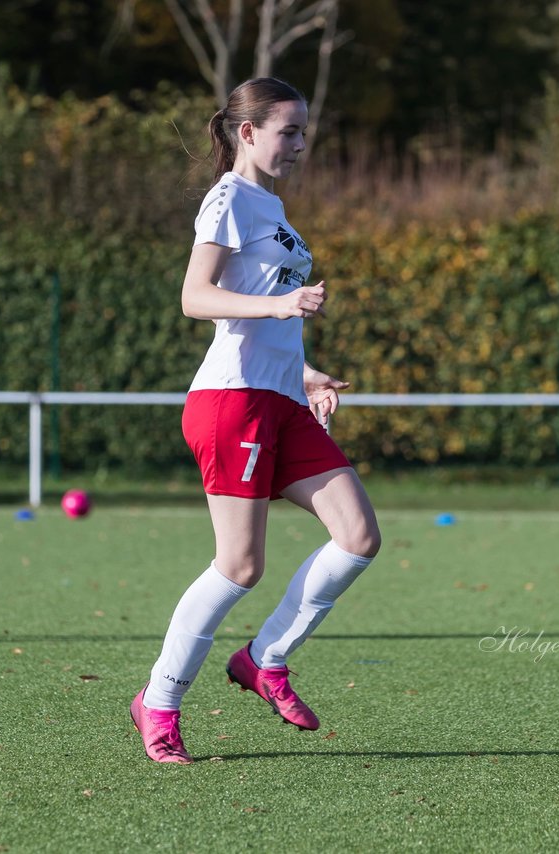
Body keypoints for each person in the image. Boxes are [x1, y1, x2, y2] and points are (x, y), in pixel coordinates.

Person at [131, 79, 382, 763]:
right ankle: (158, 701)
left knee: (358, 536)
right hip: (231, 403)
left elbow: (252, 317)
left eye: (304, 132)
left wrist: (306, 374)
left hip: (279, 399)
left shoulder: (271, 208)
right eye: (287, 131)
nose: (299, 144)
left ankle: (264, 660)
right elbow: (196, 298)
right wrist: (284, 307)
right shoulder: (228, 199)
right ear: (248, 133)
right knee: (239, 565)